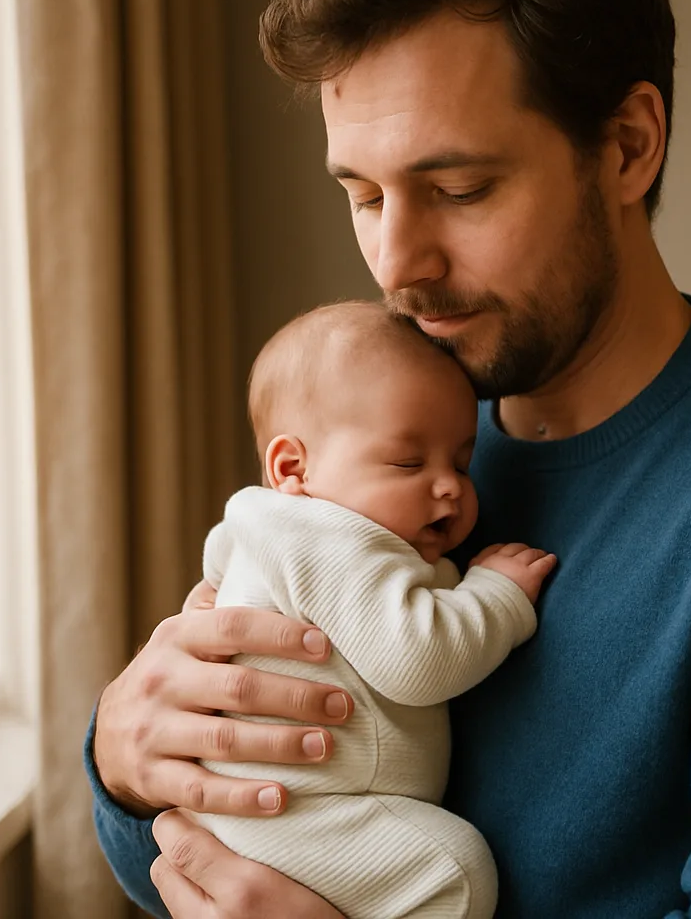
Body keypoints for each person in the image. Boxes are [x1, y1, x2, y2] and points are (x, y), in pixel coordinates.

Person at [86, 0, 691, 917]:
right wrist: (121, 759)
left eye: (458, 188)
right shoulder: (393, 458)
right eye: (364, 196)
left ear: (630, 146)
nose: (396, 265)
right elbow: (206, 857)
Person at [193, 301, 555, 918]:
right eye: (408, 463)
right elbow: (417, 659)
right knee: (454, 872)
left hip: (278, 807)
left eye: (461, 462)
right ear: (294, 468)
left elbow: (210, 588)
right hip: (301, 812)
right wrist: (496, 595)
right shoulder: (324, 535)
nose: (449, 486)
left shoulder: (274, 533)